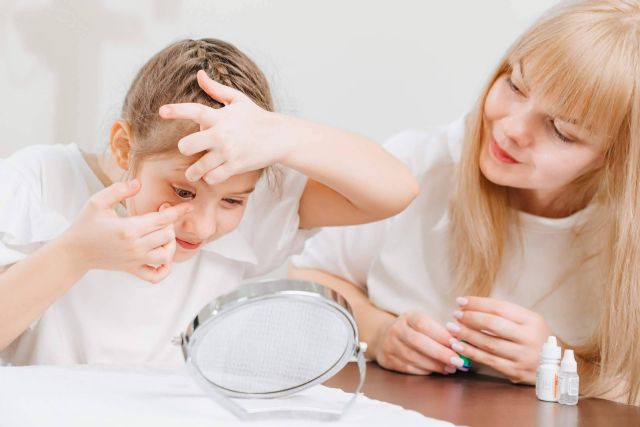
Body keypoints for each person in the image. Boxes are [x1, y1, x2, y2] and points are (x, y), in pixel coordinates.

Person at [289, 0, 640, 405]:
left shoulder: (621, 234)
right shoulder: (418, 165)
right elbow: (309, 276)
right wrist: (377, 331)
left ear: (615, 161)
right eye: (515, 85)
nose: (510, 129)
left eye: (561, 130)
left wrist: (564, 366)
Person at [0, 38, 418, 366]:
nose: (201, 226)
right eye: (182, 191)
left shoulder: (261, 206)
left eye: (232, 201)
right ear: (125, 149)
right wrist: (76, 254)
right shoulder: (37, 180)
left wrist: (281, 136)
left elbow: (396, 190)